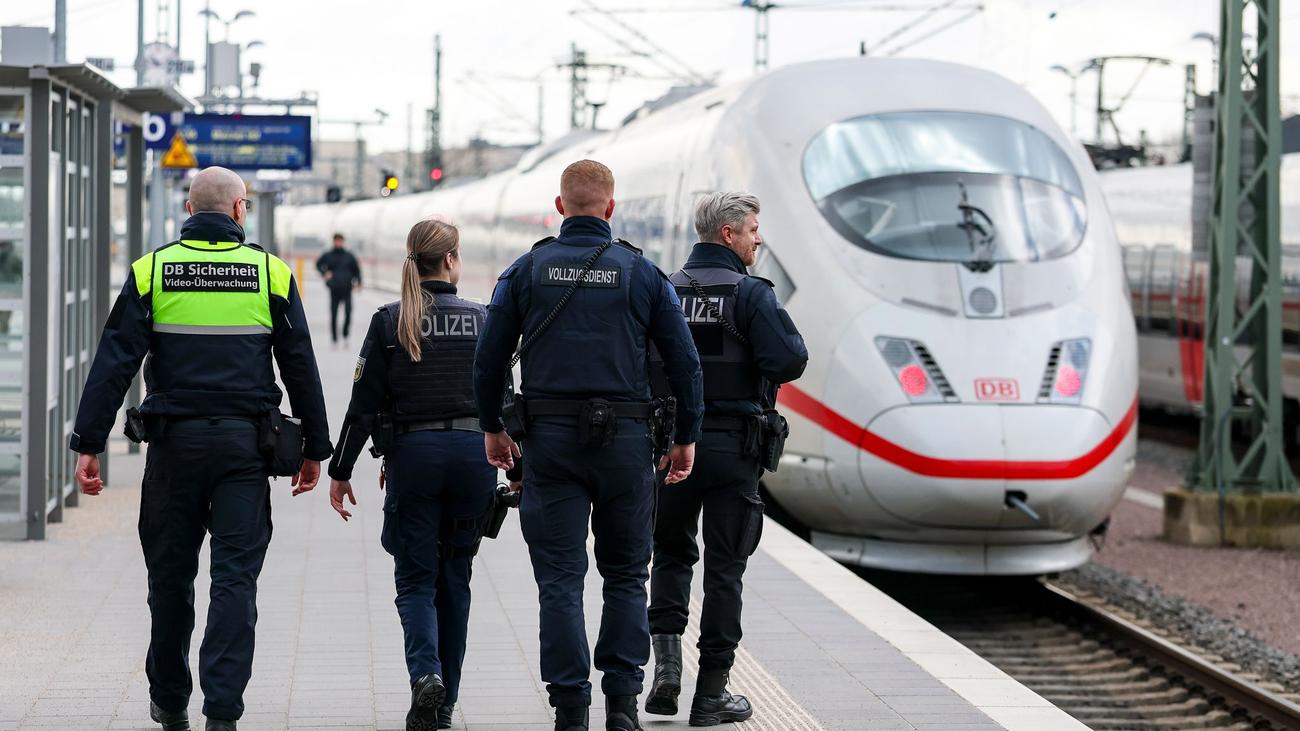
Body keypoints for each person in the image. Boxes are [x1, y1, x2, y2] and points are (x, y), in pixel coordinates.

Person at [69, 166, 332, 731]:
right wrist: (316, 447)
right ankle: (222, 713)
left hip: (173, 451)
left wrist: (89, 442)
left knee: (169, 580)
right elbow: (302, 367)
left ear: (189, 211)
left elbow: (114, 363)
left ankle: (169, 702)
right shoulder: (271, 274)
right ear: (240, 211)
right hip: (244, 452)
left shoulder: (154, 271)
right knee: (235, 580)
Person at [473, 159, 704, 731]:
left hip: (549, 445)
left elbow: (489, 360)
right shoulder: (642, 273)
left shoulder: (525, 271)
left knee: (560, 579)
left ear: (558, 207)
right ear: (610, 207)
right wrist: (685, 437)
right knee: (627, 575)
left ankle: (570, 707)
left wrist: (493, 426)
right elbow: (684, 362)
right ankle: (622, 705)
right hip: (627, 444)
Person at [326, 218, 512, 731]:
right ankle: (444, 702)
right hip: (475, 458)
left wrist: (340, 471)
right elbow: (508, 403)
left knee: (414, 578)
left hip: (413, 458)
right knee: (456, 578)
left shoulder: (391, 320)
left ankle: (425, 675)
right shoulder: (483, 318)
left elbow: (362, 407)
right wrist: (518, 470)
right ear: (451, 260)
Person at [646, 193, 808, 726]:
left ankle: (666, 669)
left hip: (673, 448)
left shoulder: (663, 289)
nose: (758, 239)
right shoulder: (752, 295)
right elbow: (790, 359)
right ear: (728, 235)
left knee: (670, 555)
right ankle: (711, 693)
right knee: (724, 571)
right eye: (754, 230)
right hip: (734, 449)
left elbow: (642, 364)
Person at [316, 233, 363, 346]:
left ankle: (345, 335)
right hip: (334, 288)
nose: (338, 243)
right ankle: (334, 338)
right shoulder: (328, 255)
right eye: (336, 241)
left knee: (348, 312)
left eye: (340, 241)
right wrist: (324, 273)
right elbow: (318, 264)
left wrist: (359, 282)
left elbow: (356, 270)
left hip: (347, 289)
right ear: (334, 241)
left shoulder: (349, 256)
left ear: (343, 242)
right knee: (334, 314)